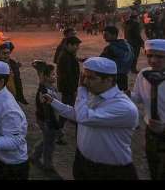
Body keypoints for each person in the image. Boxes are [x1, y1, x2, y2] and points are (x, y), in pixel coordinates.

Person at [43, 57, 139, 180]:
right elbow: (78, 114)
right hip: (83, 162)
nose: (85, 82)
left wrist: (81, 90)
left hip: (110, 170)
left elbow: (84, 117)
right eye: (84, 77)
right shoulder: (95, 95)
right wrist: (53, 102)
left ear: (109, 80)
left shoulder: (124, 107)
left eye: (91, 78)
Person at [130, 39, 165, 180]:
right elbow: (138, 98)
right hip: (151, 131)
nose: (153, 60)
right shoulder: (144, 75)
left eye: (160, 57)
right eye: (149, 56)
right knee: (153, 165)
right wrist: (126, 95)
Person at [30, 61, 61, 178]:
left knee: (47, 139)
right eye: (53, 74)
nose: (56, 76)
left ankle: (35, 156)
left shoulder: (47, 87)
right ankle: (48, 164)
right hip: (47, 120)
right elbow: (48, 111)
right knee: (49, 144)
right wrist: (55, 125)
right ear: (46, 77)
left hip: (45, 119)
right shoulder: (45, 91)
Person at [56, 36, 81, 144]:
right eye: (75, 45)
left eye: (78, 45)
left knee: (66, 110)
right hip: (68, 88)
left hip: (68, 88)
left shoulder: (68, 55)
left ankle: (59, 132)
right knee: (67, 111)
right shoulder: (65, 57)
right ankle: (59, 134)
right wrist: (73, 89)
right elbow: (68, 76)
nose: (77, 48)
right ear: (68, 45)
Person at [100, 26, 134, 92]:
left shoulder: (110, 48)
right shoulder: (127, 45)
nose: (104, 37)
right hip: (124, 76)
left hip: (113, 77)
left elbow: (100, 61)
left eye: (106, 35)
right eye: (103, 35)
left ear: (114, 35)